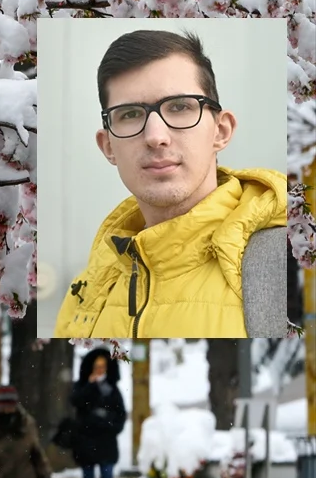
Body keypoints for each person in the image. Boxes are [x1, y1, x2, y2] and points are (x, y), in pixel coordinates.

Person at [54, 29, 287, 338]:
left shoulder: (281, 263)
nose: (155, 137)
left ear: (221, 131)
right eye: (131, 114)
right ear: (108, 146)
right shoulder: (88, 292)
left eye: (179, 107)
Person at [71, 348, 127, 478]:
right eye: (96, 366)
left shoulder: (112, 388)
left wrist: (112, 425)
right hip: (87, 438)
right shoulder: (82, 385)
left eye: (103, 366)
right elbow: (77, 402)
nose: (100, 370)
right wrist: (90, 385)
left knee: (107, 476)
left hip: (106, 439)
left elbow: (120, 413)